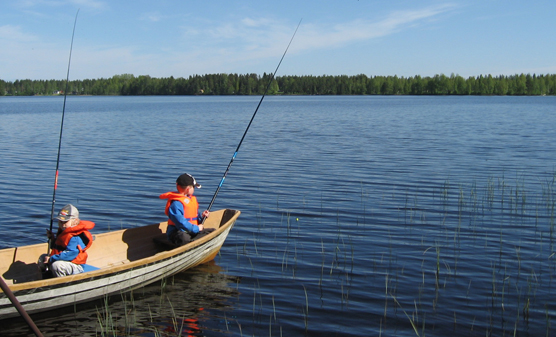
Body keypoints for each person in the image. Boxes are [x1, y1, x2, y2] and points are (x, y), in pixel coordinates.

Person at [42, 204, 95, 277]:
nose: (62, 224)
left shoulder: (75, 236)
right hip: (63, 261)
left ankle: (61, 284)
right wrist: (52, 239)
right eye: (60, 221)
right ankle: (46, 277)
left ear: (75, 221)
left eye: (65, 222)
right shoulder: (63, 232)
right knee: (42, 258)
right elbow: (57, 248)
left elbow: (70, 254)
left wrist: (51, 259)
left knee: (57, 266)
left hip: (75, 265)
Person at [160, 173, 211, 246]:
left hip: (191, 230)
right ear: (188, 189)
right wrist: (196, 228)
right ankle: (191, 244)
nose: (194, 189)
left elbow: (193, 217)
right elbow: (180, 222)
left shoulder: (189, 199)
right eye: (194, 187)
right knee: (184, 237)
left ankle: (193, 242)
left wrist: (202, 216)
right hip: (177, 232)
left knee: (212, 231)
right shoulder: (176, 203)